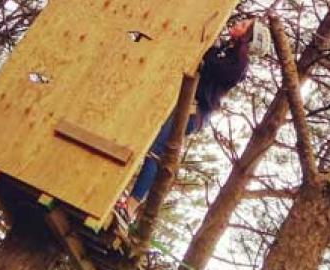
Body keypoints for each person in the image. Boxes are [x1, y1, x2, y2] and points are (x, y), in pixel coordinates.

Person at [114, 18, 272, 225]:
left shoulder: (238, 66)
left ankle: (131, 206)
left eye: (243, 26)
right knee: (144, 138)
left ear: (247, 38)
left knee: (156, 151)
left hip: (193, 112)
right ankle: (122, 192)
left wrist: (209, 47)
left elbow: (211, 65)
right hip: (184, 105)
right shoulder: (226, 50)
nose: (238, 23)